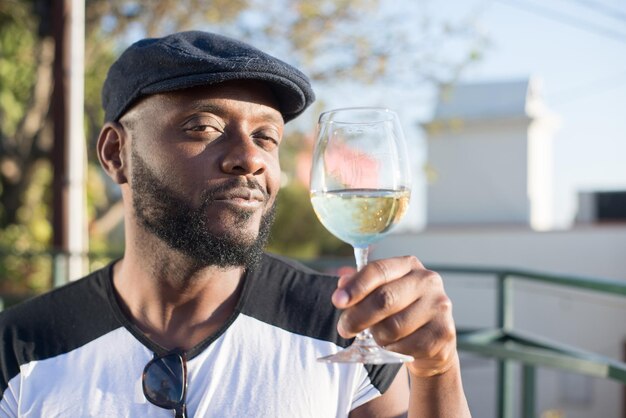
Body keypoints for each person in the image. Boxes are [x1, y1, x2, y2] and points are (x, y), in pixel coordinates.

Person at [0, 31, 471, 417]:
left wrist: (437, 370)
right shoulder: (20, 349)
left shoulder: (337, 325)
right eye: (203, 127)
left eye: (266, 137)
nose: (250, 158)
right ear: (115, 154)